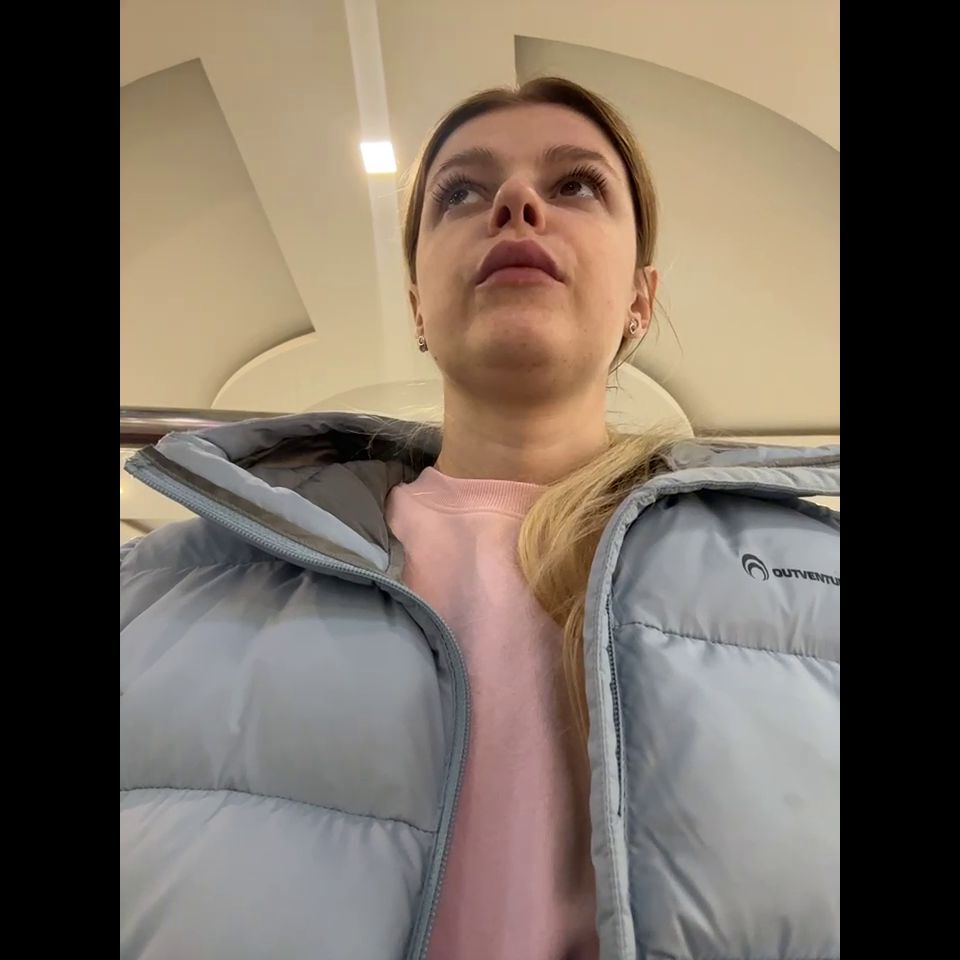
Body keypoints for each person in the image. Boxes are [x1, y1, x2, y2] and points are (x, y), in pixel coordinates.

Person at [120, 77, 839, 960]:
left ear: (641, 299)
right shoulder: (155, 595)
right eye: (461, 192)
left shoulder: (818, 584)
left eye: (575, 184)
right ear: (418, 306)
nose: (517, 203)